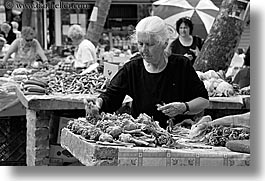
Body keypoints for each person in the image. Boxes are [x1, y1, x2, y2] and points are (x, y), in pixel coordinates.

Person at [87, 16, 209, 129]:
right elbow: (111, 97)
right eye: (140, 44)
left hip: (179, 134)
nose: (143, 50)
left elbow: (203, 100)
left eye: (149, 44)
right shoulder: (131, 68)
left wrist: (183, 107)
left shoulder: (181, 65)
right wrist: (97, 104)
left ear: (164, 44)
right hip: (142, 135)